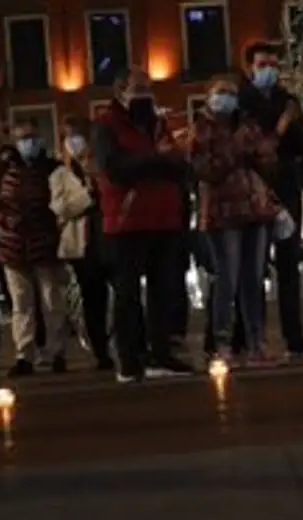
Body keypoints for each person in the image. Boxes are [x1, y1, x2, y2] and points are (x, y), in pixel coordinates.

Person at [92, 66, 195, 383]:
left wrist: (167, 159)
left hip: (163, 217)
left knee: (162, 290)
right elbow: (114, 169)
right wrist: (156, 158)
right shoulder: (106, 125)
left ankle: (160, 353)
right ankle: (129, 360)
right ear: (120, 91)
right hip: (126, 221)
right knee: (127, 294)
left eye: (148, 88)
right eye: (138, 88)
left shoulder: (158, 124)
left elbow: (177, 165)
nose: (145, 95)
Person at [190, 75, 285, 367]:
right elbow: (205, 170)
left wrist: (264, 154)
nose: (227, 98)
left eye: (231, 93)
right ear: (208, 96)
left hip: (254, 210)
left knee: (253, 280)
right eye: (221, 93)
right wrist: (237, 150)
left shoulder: (247, 123)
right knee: (227, 279)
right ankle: (222, 344)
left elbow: (267, 160)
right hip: (222, 214)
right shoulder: (202, 129)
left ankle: (257, 344)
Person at [238, 41, 303, 357]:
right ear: (249, 68)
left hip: (286, 189)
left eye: (273, 64)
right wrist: (282, 127)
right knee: (253, 266)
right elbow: (254, 147)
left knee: (288, 265)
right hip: (253, 191)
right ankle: (252, 336)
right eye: (262, 65)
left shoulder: (289, 101)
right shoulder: (242, 103)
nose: (269, 70)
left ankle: (293, 335)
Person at [0, 121, 68, 377]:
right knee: (22, 304)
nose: (28, 143)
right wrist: (4, 219)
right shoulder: (4, 171)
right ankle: (24, 354)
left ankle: (56, 353)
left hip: (45, 243)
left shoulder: (51, 169)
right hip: (13, 244)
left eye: (32, 137)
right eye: (23, 138)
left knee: (52, 301)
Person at [54, 116, 114, 370]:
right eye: (69, 137)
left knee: (120, 293)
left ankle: (128, 343)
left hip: (108, 237)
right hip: (82, 244)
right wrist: (87, 195)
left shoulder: (104, 166)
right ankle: (100, 350)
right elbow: (61, 208)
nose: (74, 142)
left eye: (78, 135)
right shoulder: (61, 175)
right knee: (92, 298)